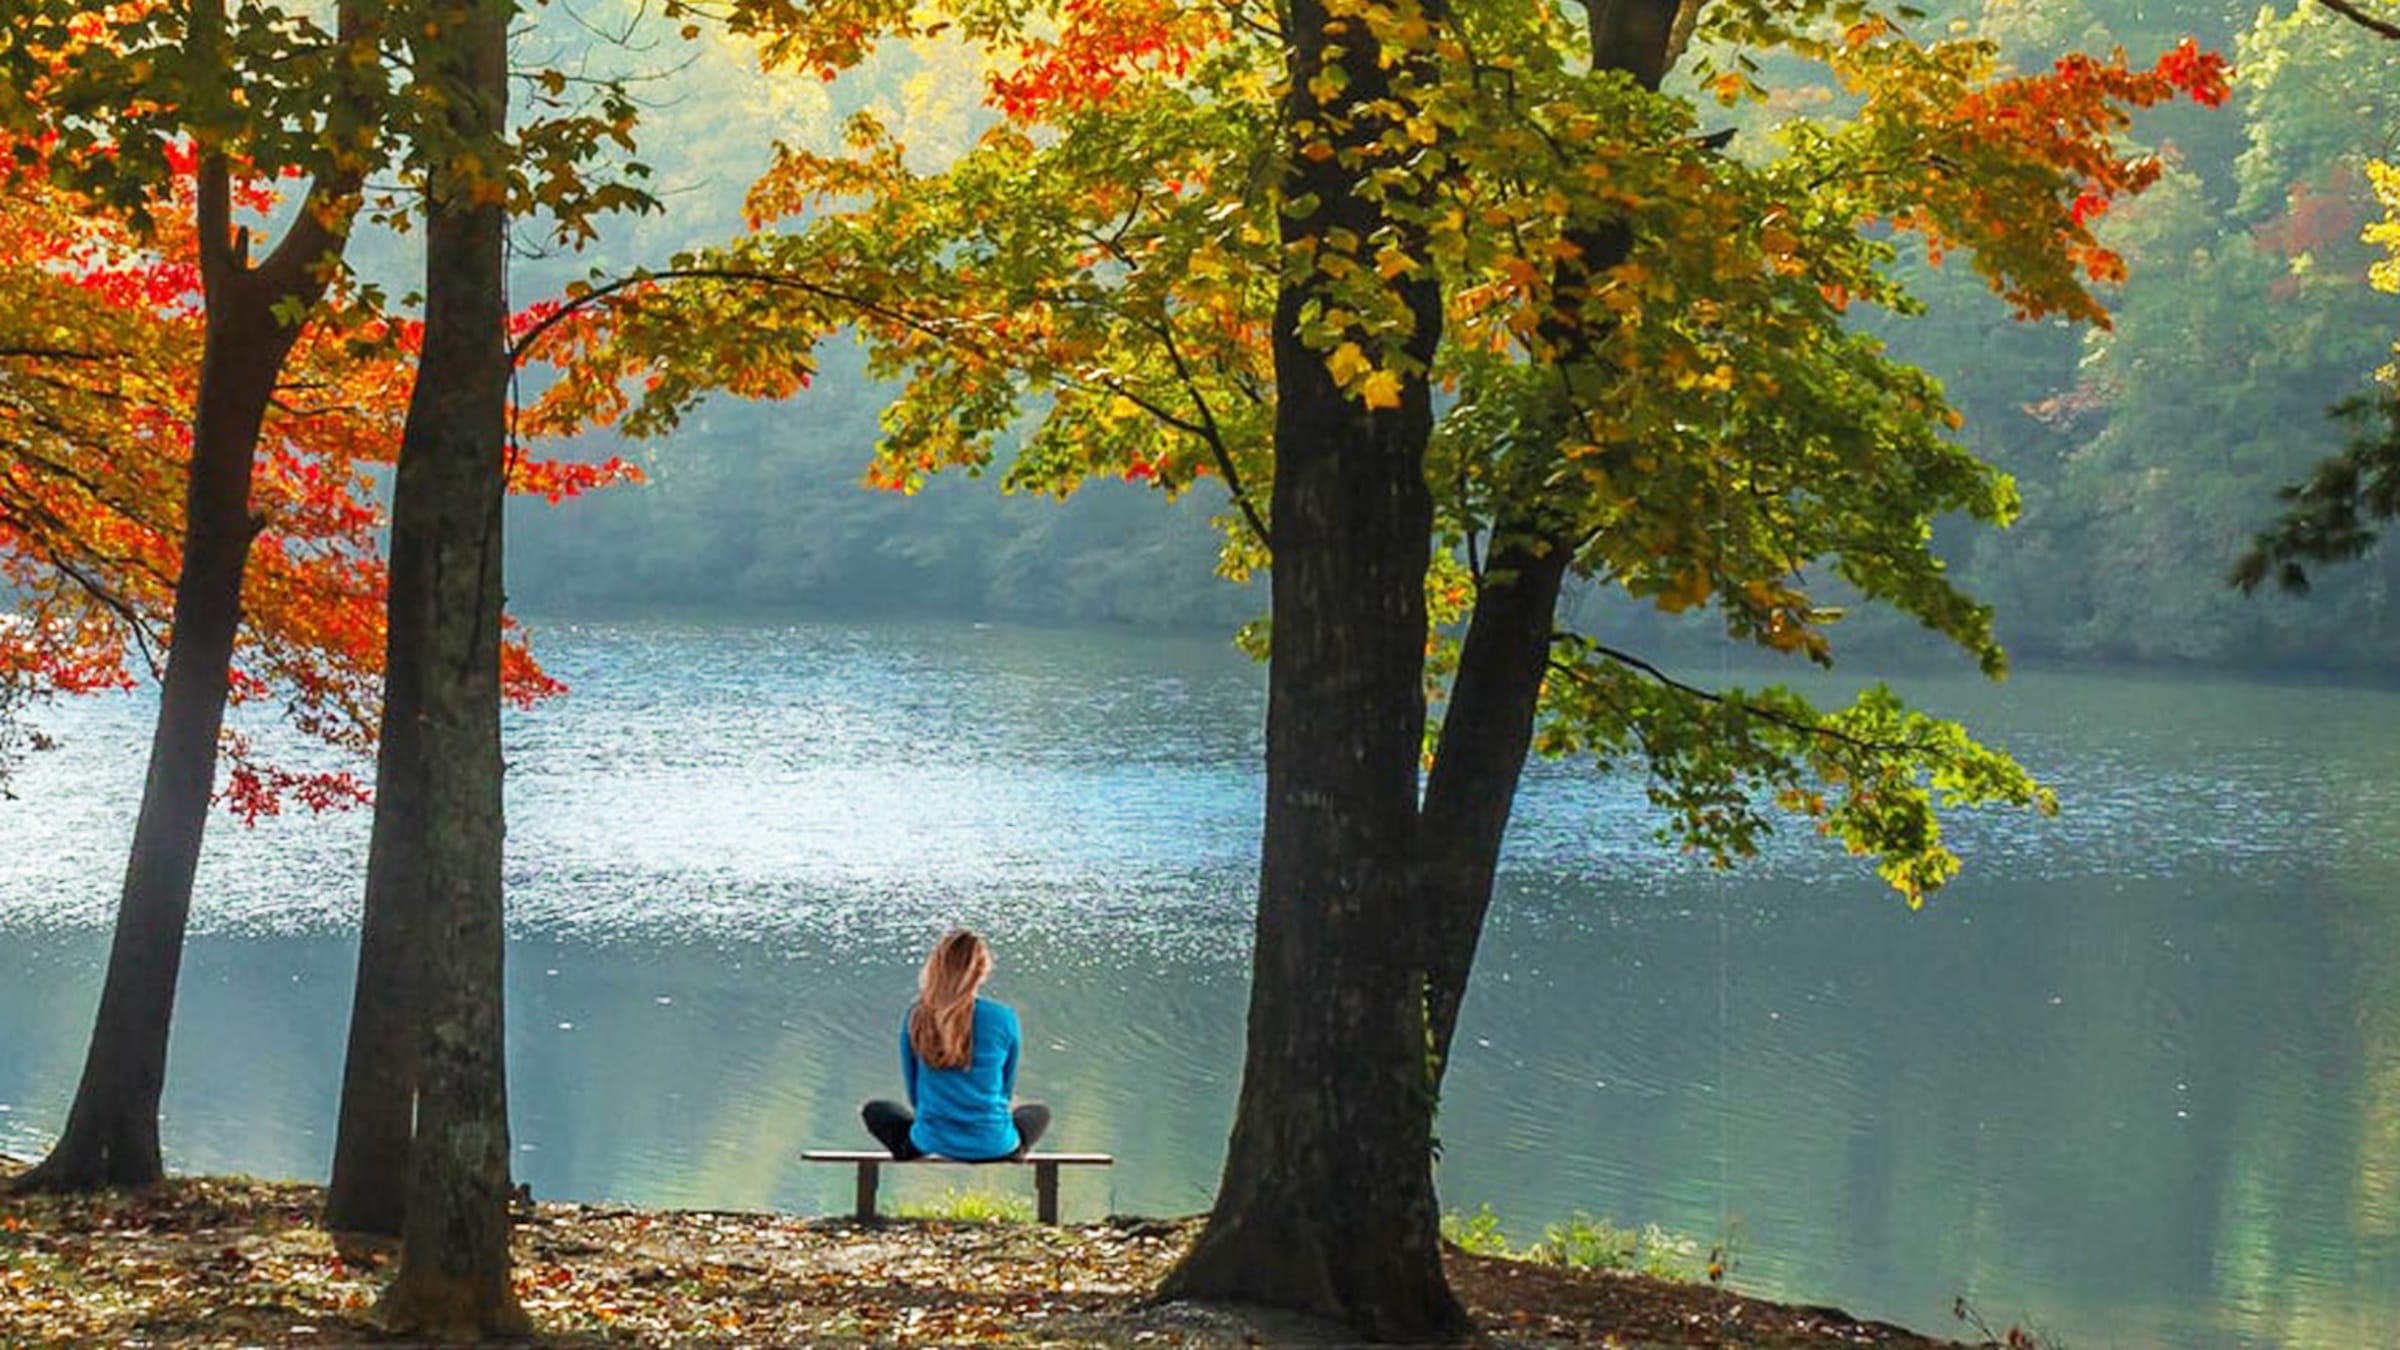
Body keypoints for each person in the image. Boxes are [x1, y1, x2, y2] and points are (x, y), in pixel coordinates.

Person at [862, 928, 1049, 1161]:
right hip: (994, 1144)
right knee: (1038, 1113)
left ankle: (925, 1141)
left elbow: (914, 1095)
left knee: (876, 1110)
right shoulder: (1003, 1018)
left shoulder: (917, 1016)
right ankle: (999, 1144)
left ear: (935, 967)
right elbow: (1005, 1089)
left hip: (929, 1141)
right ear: (983, 970)